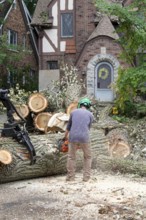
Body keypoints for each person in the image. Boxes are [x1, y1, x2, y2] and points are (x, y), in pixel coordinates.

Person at [64, 98, 94, 182]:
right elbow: (88, 128)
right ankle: (86, 178)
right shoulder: (90, 115)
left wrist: (65, 137)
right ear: (88, 106)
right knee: (88, 157)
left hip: (73, 137)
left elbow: (68, 127)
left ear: (80, 104)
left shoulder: (73, 112)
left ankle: (70, 177)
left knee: (71, 157)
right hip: (84, 137)